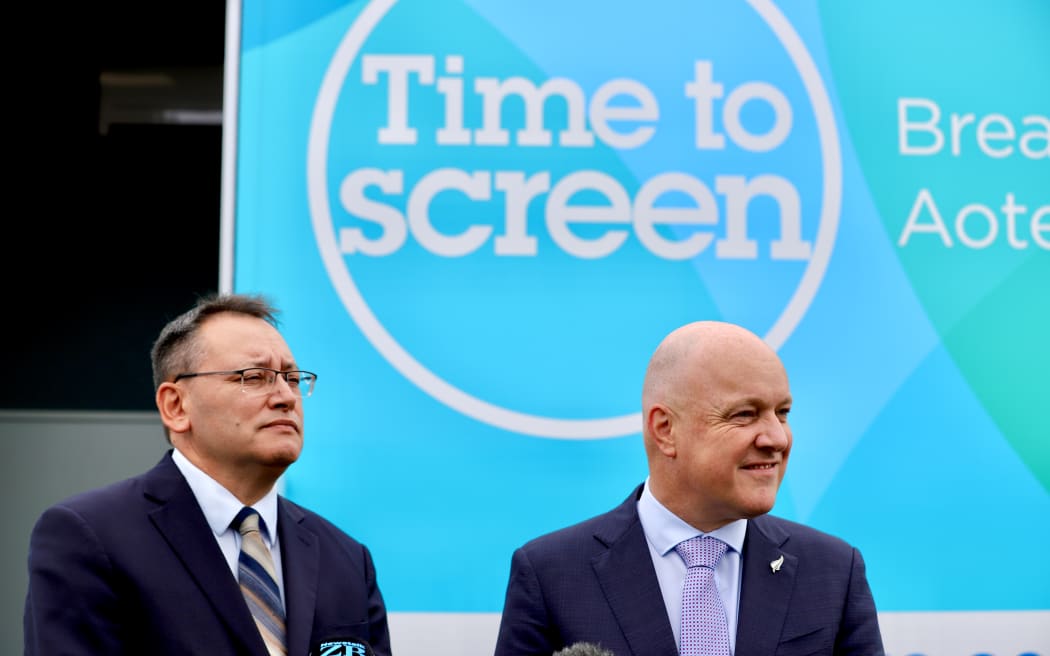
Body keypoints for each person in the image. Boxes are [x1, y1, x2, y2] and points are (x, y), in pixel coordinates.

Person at [24, 292, 392, 655]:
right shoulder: (91, 537)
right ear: (176, 405)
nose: (285, 397)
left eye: (292, 378)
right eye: (254, 376)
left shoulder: (345, 559)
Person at [493, 321, 884, 656]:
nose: (776, 438)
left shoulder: (833, 571)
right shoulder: (551, 574)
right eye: (745, 414)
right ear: (665, 430)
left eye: (782, 413)